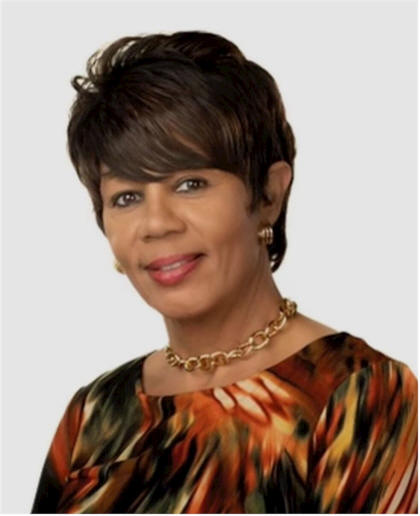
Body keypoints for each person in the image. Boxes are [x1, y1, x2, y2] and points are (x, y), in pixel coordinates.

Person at [31, 30, 417, 514]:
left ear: (268, 195)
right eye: (127, 197)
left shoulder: (358, 391)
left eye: (190, 184)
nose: (156, 223)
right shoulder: (93, 412)